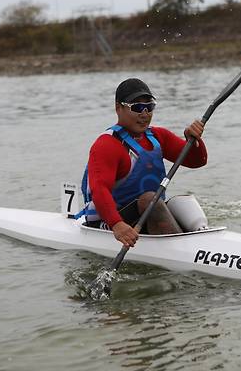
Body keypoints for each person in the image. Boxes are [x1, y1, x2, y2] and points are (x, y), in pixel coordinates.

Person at [76, 78, 207, 248]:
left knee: (182, 202)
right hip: (108, 220)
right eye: (136, 107)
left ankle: (198, 240)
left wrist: (194, 140)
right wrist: (117, 224)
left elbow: (198, 161)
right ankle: (181, 248)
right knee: (149, 199)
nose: (144, 114)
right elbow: (99, 190)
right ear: (118, 108)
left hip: (146, 213)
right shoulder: (106, 145)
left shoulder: (159, 137)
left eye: (149, 107)